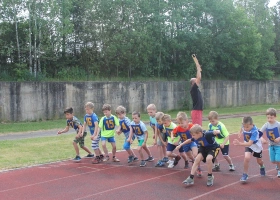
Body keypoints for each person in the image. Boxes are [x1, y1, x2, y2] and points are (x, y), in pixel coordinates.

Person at [233, 116, 266, 182]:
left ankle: (262, 166)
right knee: (247, 158)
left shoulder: (255, 132)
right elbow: (242, 127)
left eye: (247, 127)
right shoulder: (244, 126)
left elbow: (250, 143)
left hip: (256, 146)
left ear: (252, 124)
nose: (245, 128)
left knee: (259, 161)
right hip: (248, 145)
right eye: (244, 127)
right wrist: (239, 132)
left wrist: (239, 143)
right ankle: (245, 174)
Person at [260, 108, 280, 178]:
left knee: (278, 159)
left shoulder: (278, 125)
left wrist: (279, 138)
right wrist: (262, 139)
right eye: (268, 118)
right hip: (271, 145)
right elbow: (259, 133)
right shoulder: (266, 125)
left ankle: (279, 171)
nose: (269, 119)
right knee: (273, 161)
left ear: (275, 117)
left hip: (278, 145)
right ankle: (278, 165)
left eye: (271, 118)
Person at [190, 55, 203, 126]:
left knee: (198, 128)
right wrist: (198, 68)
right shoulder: (193, 88)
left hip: (198, 110)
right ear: (193, 83)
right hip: (196, 111)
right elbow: (199, 78)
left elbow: (198, 78)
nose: (198, 81)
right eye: (195, 80)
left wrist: (199, 70)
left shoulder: (195, 89)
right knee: (197, 128)